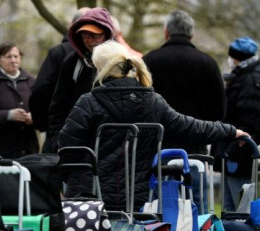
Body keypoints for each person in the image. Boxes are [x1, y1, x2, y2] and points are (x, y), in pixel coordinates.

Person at [58, 40, 248, 212]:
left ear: (100, 68)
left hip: (90, 198)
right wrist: (231, 131)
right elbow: (190, 127)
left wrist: (71, 180)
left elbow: (66, 146)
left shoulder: (88, 102)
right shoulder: (152, 101)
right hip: (140, 198)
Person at [143, 10, 226, 155]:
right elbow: (219, 110)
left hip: (157, 144)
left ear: (166, 32)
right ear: (191, 34)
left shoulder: (149, 61)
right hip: (195, 145)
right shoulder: (208, 64)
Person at [220, 36, 260, 211]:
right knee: (232, 210)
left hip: (242, 156)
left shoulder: (250, 81)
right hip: (240, 154)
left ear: (238, 58)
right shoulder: (248, 77)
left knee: (240, 209)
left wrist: (231, 153)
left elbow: (248, 124)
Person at [45, 7, 114, 153]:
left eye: (95, 35)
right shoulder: (71, 64)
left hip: (112, 145)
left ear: (107, 34)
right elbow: (58, 107)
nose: (90, 41)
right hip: (75, 146)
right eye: (85, 35)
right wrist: (58, 141)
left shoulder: (120, 62)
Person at [30, 8, 89, 136]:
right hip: (64, 127)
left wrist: (43, 124)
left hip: (61, 127)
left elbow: (40, 90)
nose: (89, 40)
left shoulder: (58, 52)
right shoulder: (65, 57)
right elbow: (41, 90)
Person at [0, 43, 39, 158]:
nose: (13, 60)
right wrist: (8, 115)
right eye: (9, 57)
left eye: (16, 56)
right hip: (1, 150)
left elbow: (43, 110)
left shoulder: (31, 81)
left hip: (29, 148)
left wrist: (34, 117)